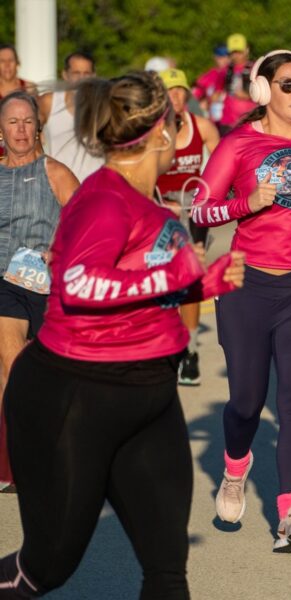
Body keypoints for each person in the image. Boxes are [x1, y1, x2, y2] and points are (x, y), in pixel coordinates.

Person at [0, 70, 245, 598]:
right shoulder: (104, 199)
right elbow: (80, 282)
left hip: (150, 398)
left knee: (166, 568)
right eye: (175, 124)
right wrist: (176, 275)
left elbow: (139, 288)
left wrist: (200, 284)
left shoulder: (150, 202)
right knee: (43, 569)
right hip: (76, 396)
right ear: (161, 130)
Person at [192, 49, 291, 552]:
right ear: (262, 90)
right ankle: (236, 466)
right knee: (245, 400)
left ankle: (290, 512)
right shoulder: (239, 144)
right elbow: (199, 209)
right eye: (288, 86)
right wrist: (247, 203)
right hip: (248, 285)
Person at [0, 91, 79, 494]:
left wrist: (60, 249)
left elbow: (87, 221)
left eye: (27, 121)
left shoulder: (55, 172)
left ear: (39, 128)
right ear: (1, 129)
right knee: (13, 365)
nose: (20, 129)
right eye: (12, 122)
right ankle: (16, 461)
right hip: (4, 283)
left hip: (49, 285)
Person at [156, 68, 221, 386]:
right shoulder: (153, 130)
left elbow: (223, 167)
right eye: (170, 91)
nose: (177, 97)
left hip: (192, 212)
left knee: (191, 282)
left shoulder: (203, 127)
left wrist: (209, 198)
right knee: (162, 283)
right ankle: (163, 343)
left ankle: (191, 350)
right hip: (159, 211)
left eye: (181, 90)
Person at [37, 51, 104, 182]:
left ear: (94, 75)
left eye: (86, 73)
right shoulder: (49, 102)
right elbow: (26, 132)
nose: (82, 78)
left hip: (96, 188)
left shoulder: (104, 104)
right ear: (65, 75)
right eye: (76, 73)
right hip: (60, 187)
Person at [218, 33, 255, 134]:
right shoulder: (225, 70)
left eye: (239, 52)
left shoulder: (255, 68)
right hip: (227, 122)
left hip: (249, 120)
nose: (236, 55)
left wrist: (248, 95)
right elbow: (217, 90)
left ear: (246, 50)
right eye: (233, 52)